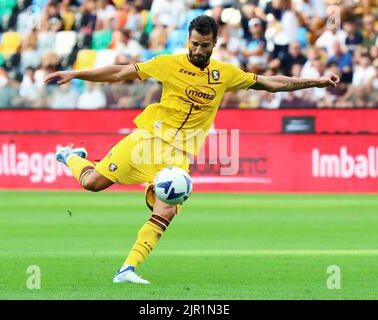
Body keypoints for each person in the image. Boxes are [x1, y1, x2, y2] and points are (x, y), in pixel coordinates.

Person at [44, 15, 339, 284]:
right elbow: (121, 73)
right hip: (146, 140)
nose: (199, 50)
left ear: (215, 43)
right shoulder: (168, 64)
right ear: (188, 40)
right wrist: (77, 73)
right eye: (195, 44)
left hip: (178, 156)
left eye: (205, 45)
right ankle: (70, 156)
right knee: (93, 183)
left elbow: (271, 83)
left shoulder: (224, 74)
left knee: (167, 210)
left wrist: (315, 82)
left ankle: (127, 269)